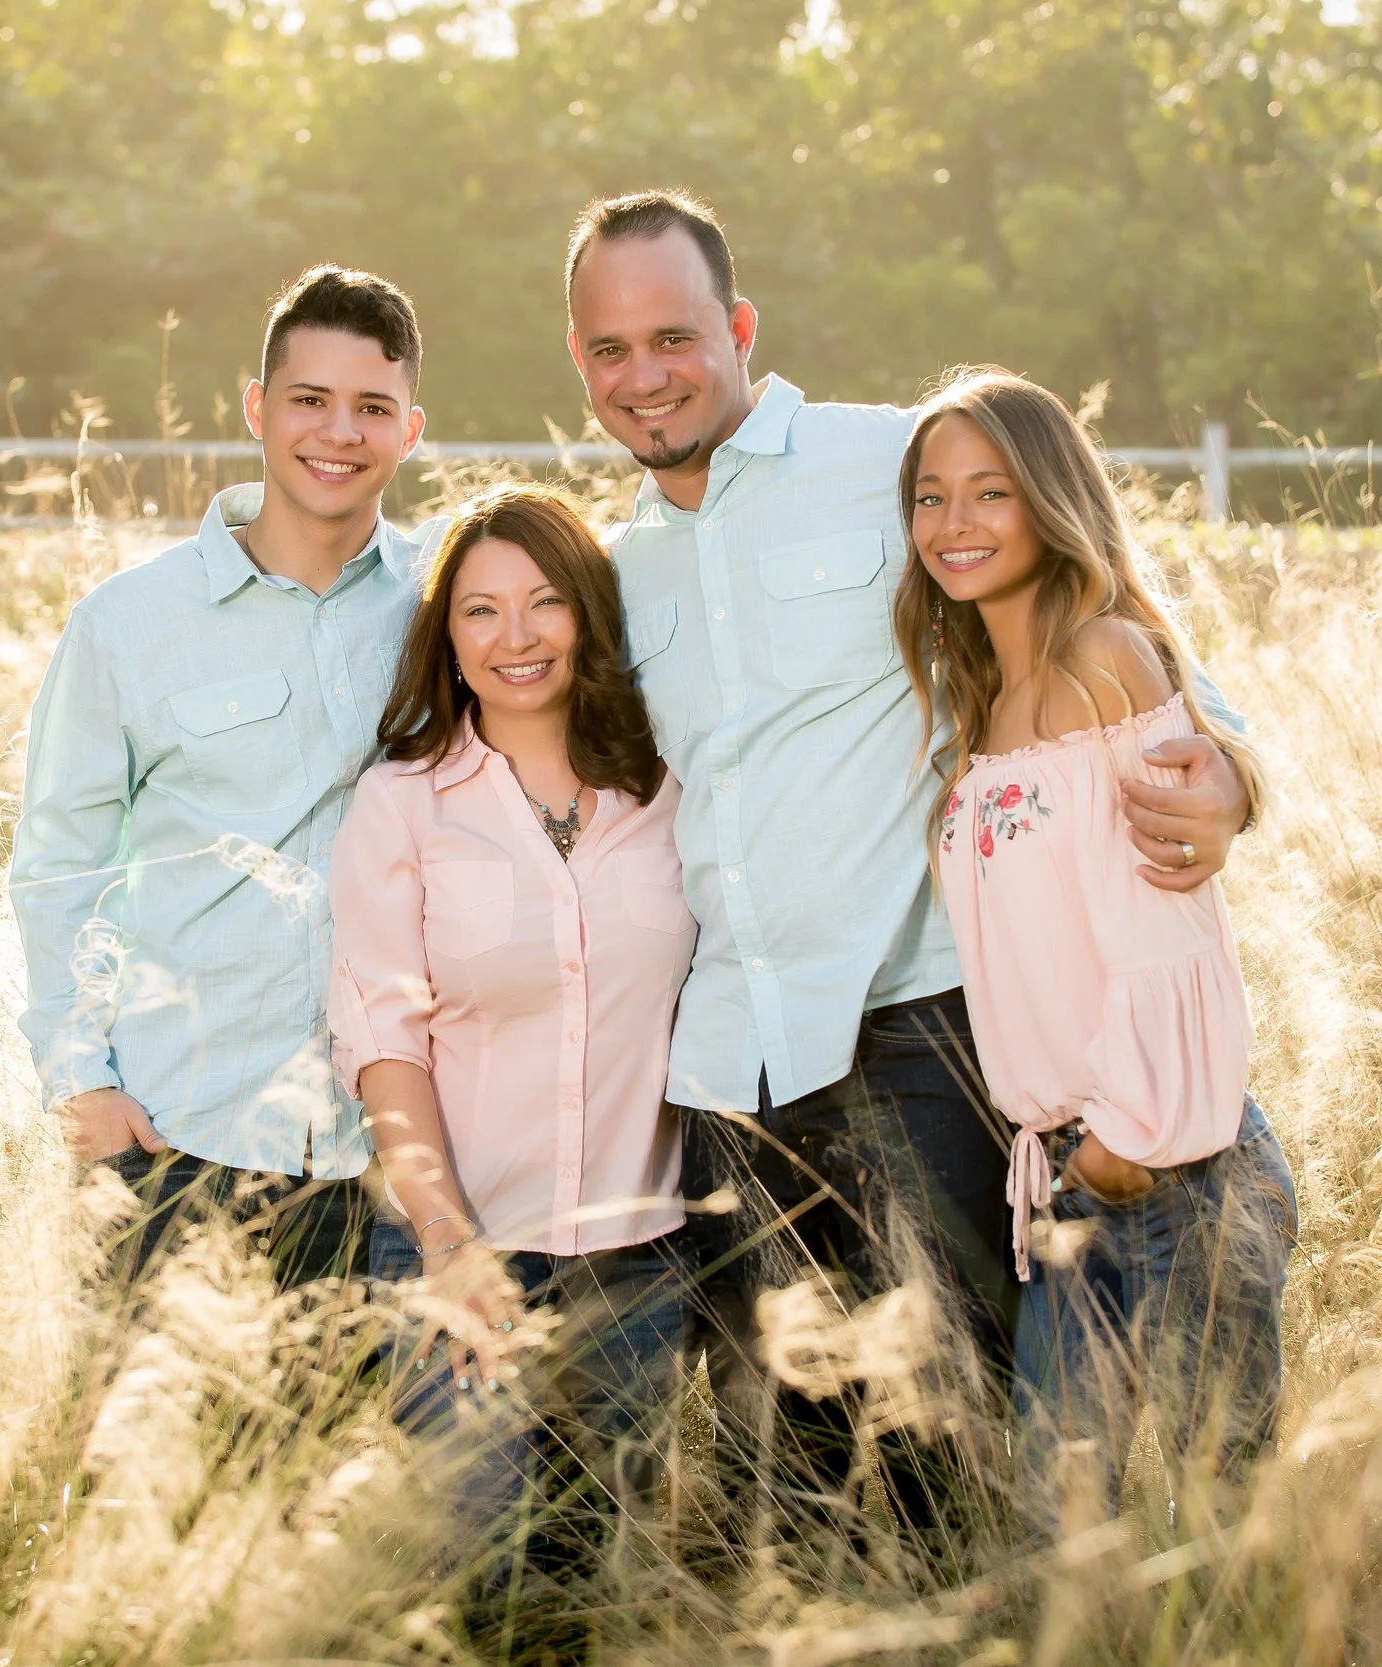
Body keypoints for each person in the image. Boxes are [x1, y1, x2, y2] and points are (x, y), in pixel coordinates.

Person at [559, 188, 1259, 1550]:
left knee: (976, 1433)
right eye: (608, 348)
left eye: (674, 336)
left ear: (741, 326)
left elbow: (1103, 596)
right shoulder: (618, 567)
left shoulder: (897, 465)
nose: (644, 375)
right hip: (727, 1069)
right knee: (798, 1467)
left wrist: (1226, 764)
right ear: (578, 361)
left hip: (918, 1035)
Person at [899, 367, 1297, 1521]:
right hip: (1072, 1178)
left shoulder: (1104, 661)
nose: (955, 523)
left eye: (990, 492)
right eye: (931, 497)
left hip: (1171, 1172)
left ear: (1050, 499)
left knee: (1217, 1539)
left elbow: (1163, 930)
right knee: (1064, 1538)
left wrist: (1125, 1142)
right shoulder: (980, 703)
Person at [9, 265, 430, 1289]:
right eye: (309, 400)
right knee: (167, 1450)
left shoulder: (447, 601)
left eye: (371, 407)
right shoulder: (129, 623)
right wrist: (83, 1086)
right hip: (183, 1133)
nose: (338, 432)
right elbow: (59, 865)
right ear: (257, 408)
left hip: (401, 1151)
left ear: (409, 430)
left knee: (378, 1450)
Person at [327, 482, 690, 1616]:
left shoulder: (669, 790)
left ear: (587, 611)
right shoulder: (404, 804)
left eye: (543, 603)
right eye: (480, 611)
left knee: (594, 1587)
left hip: (640, 1260)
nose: (515, 637)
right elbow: (383, 1038)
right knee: (473, 1585)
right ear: (447, 635)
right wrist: (448, 1244)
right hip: (464, 1253)